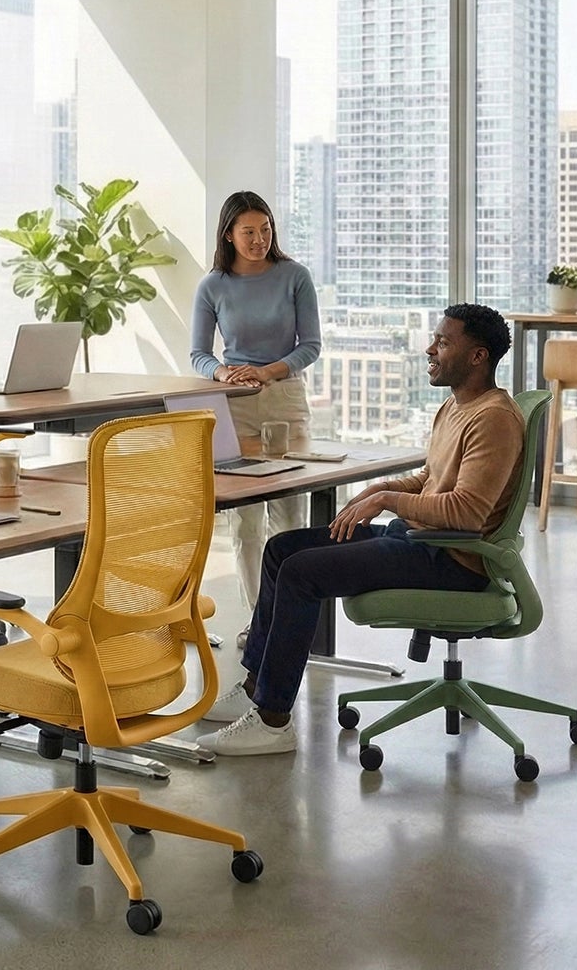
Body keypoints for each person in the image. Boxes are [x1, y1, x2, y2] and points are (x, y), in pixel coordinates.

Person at [196, 304, 524, 758]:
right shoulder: (456, 406)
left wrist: (387, 501)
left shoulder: (494, 418)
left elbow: (467, 512)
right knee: (280, 550)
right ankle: (256, 687)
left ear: (478, 356)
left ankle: (273, 722)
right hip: (415, 539)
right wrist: (384, 487)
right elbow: (432, 478)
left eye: (444, 342)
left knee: (301, 574)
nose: (430, 348)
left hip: (451, 559)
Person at [187, 191, 321, 646]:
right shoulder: (213, 286)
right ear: (229, 234)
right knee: (244, 521)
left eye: (265, 229)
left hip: (284, 397)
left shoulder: (295, 276)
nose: (259, 239)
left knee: (289, 514)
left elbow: (311, 346)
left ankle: (292, 615)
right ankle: (258, 619)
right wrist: (224, 371)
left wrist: (268, 370)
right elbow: (199, 354)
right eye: (249, 231)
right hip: (234, 403)